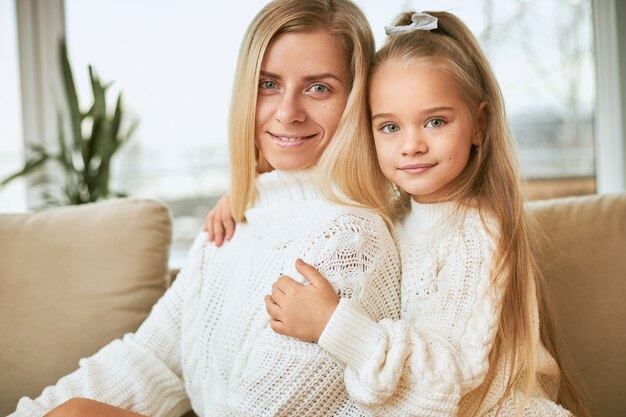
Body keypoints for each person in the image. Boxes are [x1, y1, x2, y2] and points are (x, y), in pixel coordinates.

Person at [10, 1, 402, 416]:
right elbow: (150, 360)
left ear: (356, 100)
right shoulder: (238, 218)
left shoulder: (349, 240)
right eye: (268, 84)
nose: (287, 112)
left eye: (318, 87)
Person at [204, 11, 592, 417]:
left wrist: (333, 325)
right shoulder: (395, 212)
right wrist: (247, 195)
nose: (412, 146)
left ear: (480, 125)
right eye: (389, 127)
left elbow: (446, 380)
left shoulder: (476, 235)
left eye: (435, 121)